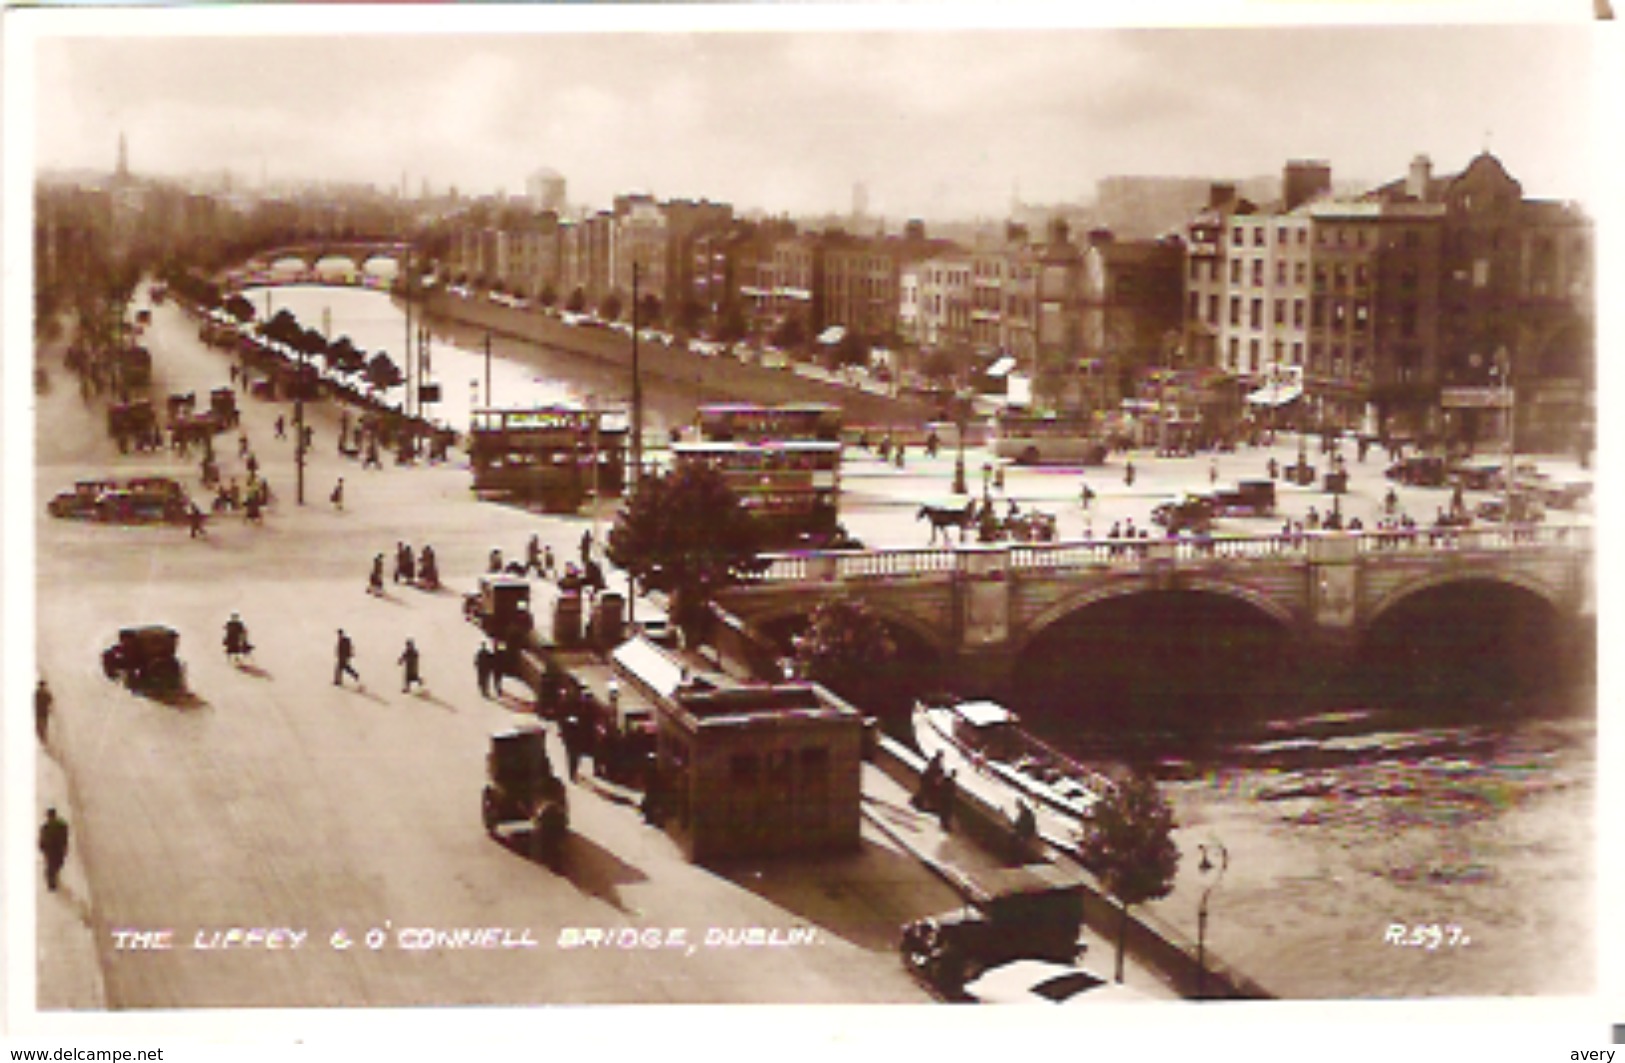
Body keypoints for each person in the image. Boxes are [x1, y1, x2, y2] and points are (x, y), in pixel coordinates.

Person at [40, 808, 70, 891]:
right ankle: (52, 883)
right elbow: (65, 835)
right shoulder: (61, 825)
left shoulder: (46, 827)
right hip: (56, 849)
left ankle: (52, 883)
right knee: (55, 865)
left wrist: (42, 847)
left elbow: (42, 839)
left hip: (52, 849)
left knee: (52, 866)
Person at [35, 679, 52, 745]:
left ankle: (42, 741)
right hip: (42, 713)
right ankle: (43, 741)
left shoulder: (37, 694)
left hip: (41, 713)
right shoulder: (45, 694)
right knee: (42, 727)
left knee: (41, 727)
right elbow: (51, 702)